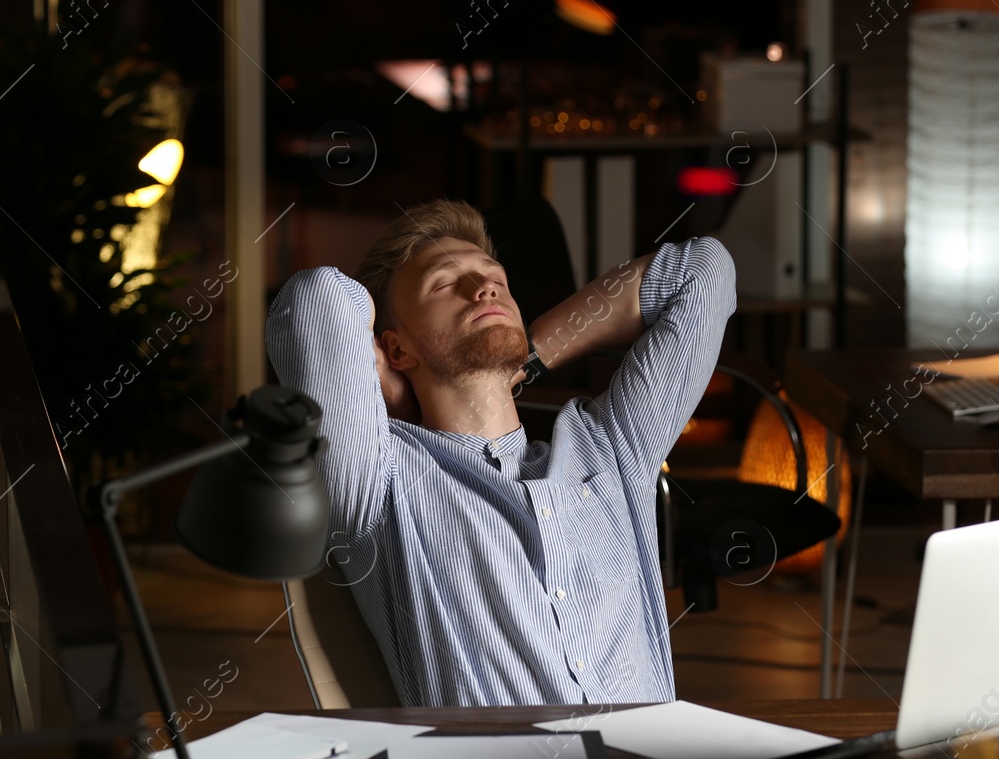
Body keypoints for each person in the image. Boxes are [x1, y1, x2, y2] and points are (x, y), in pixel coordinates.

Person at [266, 199, 736, 706]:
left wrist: (530, 355)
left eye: (496, 279)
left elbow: (704, 271)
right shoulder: (379, 480)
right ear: (396, 348)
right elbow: (312, 302)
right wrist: (394, 394)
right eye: (445, 284)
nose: (484, 287)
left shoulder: (610, 448)